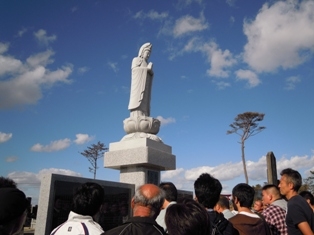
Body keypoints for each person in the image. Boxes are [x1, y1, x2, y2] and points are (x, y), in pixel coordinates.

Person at [279, 168, 314, 235]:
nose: (279, 185)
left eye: (281, 183)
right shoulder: (301, 200)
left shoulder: (293, 205)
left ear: (290, 185)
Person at [128, 42, 154, 117]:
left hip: (145, 87)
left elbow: (149, 74)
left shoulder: (147, 63)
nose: (148, 55)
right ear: (142, 52)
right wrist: (146, 69)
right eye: (147, 52)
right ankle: (136, 113)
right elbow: (134, 70)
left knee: (145, 101)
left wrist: (150, 72)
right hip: (138, 87)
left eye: (149, 53)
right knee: (139, 99)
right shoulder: (136, 60)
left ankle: (144, 114)